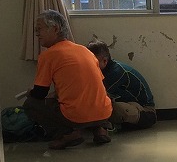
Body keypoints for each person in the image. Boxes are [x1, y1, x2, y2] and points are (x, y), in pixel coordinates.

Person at [23, 10, 114, 150]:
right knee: (101, 95)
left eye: (39, 29)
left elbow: (40, 94)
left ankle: (67, 134)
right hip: (104, 112)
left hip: (76, 116)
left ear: (55, 29)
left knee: (31, 103)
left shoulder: (48, 55)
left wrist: (31, 92)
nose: (36, 33)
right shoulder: (85, 50)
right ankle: (101, 129)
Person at [86, 41, 158, 131]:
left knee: (107, 106)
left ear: (105, 61)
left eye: (94, 62)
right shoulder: (104, 70)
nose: (90, 65)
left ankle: (105, 127)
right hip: (129, 104)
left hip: (145, 111)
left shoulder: (116, 72)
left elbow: (98, 96)